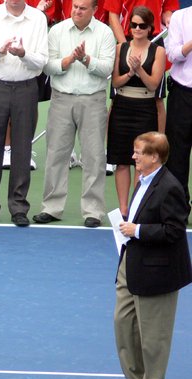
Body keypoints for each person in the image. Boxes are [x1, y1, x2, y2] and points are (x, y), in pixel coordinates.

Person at [111, 132, 192, 379]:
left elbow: (174, 230)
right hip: (131, 264)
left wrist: (138, 230)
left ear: (154, 157)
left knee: (154, 336)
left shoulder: (170, 187)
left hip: (157, 273)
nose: (133, 157)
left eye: (138, 153)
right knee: (124, 325)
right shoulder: (143, 180)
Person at [32, 0, 115, 228]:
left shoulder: (105, 33)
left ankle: (93, 211)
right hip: (61, 99)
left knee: (94, 157)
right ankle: (52, 207)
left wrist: (86, 59)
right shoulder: (57, 31)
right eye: (75, 6)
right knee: (56, 155)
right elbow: (47, 66)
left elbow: (107, 68)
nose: (77, 11)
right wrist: (69, 60)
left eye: (83, 8)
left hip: (93, 100)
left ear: (94, 10)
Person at [0, 0, 48, 227]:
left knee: (22, 147)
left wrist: (23, 53)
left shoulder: (38, 18)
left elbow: (41, 62)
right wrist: (0, 51)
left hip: (26, 86)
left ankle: (19, 206)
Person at [107, 6, 165, 218]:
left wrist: (139, 70)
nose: (137, 29)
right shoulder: (120, 48)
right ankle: (123, 208)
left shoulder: (158, 51)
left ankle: (136, 207)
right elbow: (115, 81)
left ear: (150, 28)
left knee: (141, 163)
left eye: (142, 25)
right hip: (122, 107)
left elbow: (153, 84)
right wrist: (130, 71)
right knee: (122, 161)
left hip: (145, 110)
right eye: (133, 25)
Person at [165, 5, 192, 204]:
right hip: (182, 92)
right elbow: (172, 55)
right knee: (177, 154)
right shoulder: (179, 17)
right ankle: (178, 208)